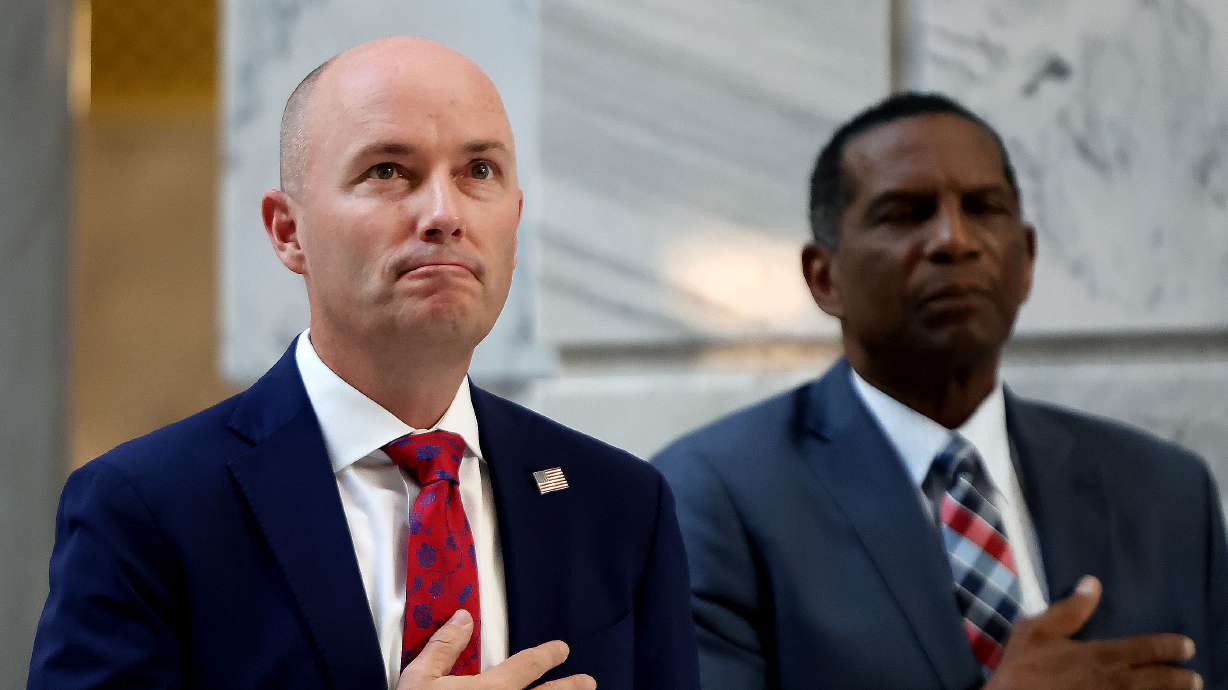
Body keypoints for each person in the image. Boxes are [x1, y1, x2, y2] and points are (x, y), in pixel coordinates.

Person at [29, 37, 699, 690]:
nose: (444, 213)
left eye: (479, 172)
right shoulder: (147, 508)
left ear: (514, 223)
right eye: (388, 171)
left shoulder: (620, 504)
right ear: (289, 231)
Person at [654, 92, 1226, 690]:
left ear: (1026, 261)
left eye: (983, 208)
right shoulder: (708, 499)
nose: (954, 240)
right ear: (825, 278)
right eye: (905, 213)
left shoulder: (1165, 492)